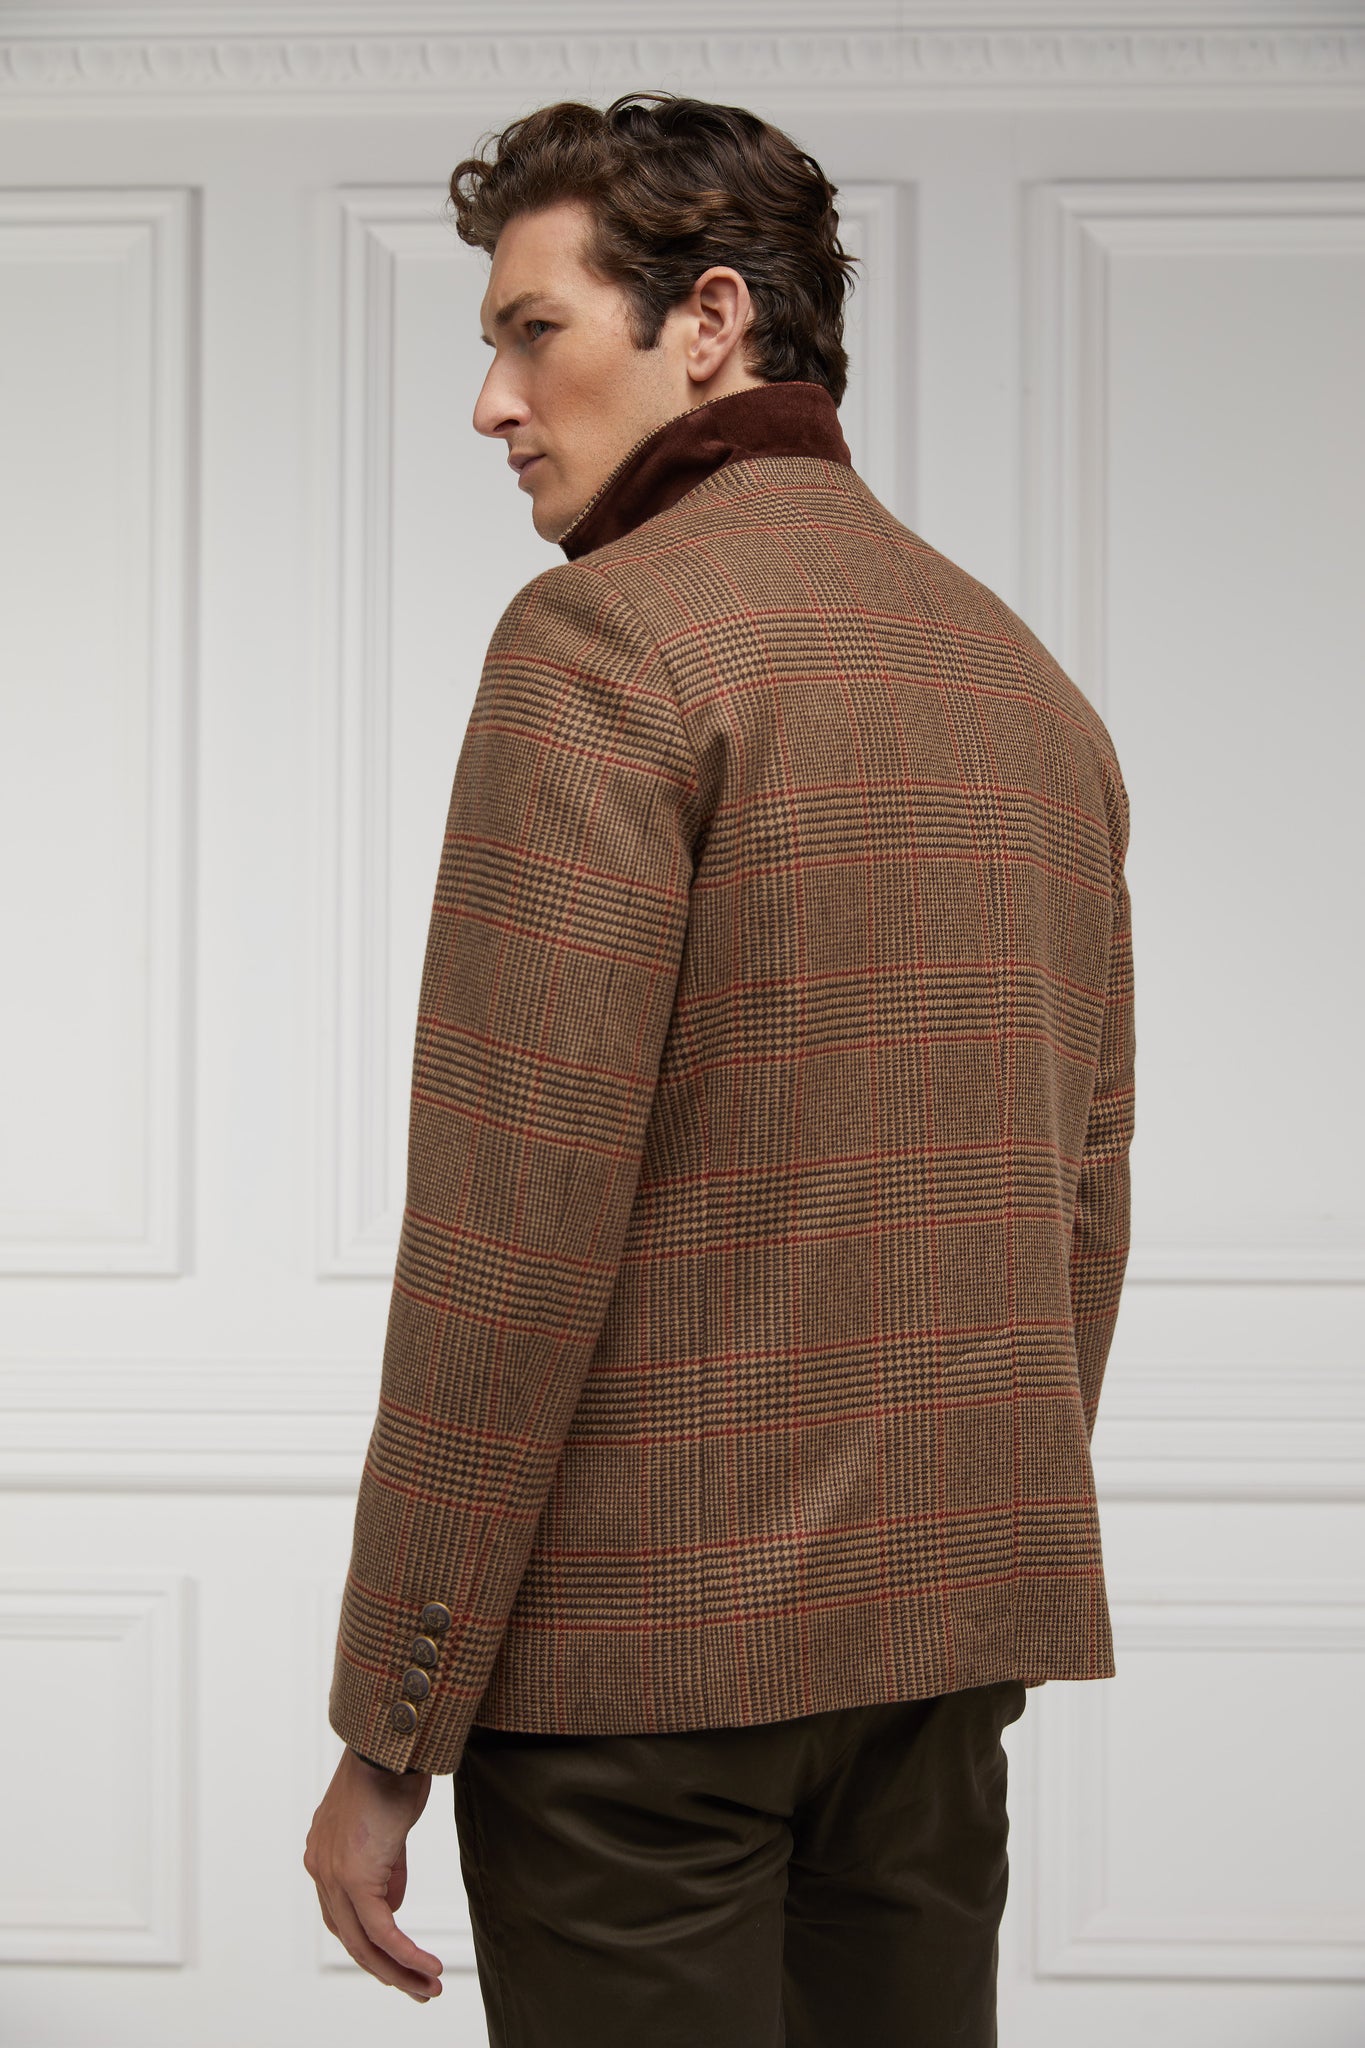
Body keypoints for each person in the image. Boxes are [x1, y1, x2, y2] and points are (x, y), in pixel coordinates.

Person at [303, 89, 1136, 2046]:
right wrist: (954, 1580)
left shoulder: (600, 646)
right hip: (932, 1673)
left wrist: (390, 1727)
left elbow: (510, 1233)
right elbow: (1077, 1193)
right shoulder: (1021, 684)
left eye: (532, 331)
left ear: (708, 323)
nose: (493, 403)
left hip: (635, 1694)